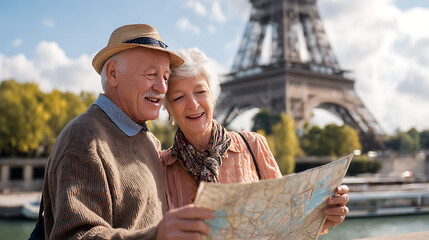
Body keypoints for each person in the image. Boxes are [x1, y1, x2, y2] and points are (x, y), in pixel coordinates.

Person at [41, 24, 214, 240]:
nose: (162, 88)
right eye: (151, 74)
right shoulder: (83, 140)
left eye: (166, 77)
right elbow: (75, 235)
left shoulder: (149, 141)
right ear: (113, 73)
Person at [159, 48, 350, 234]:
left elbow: (287, 219)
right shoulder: (161, 167)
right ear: (169, 110)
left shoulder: (253, 146)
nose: (193, 104)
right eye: (178, 97)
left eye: (200, 91)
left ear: (213, 98)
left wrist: (325, 216)